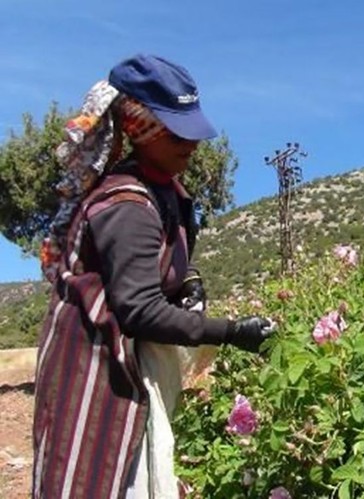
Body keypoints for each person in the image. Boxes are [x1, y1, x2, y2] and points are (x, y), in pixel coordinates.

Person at [32, 54, 273, 498]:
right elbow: (140, 310)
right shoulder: (126, 203)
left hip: (119, 361)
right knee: (95, 476)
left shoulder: (163, 190)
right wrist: (232, 332)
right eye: (176, 131)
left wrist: (186, 280)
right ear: (140, 127)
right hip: (95, 370)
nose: (192, 142)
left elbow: (148, 270)